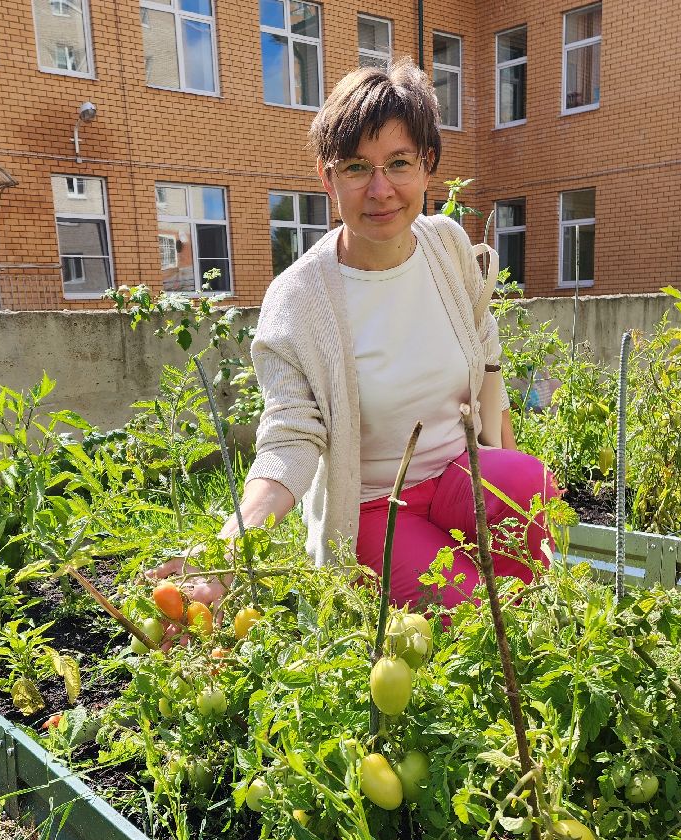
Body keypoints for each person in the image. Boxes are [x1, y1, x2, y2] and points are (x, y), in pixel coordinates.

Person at [153, 59, 557, 616]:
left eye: (399, 163)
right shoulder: (300, 300)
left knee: (527, 491)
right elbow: (288, 440)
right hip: (374, 508)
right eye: (356, 167)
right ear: (327, 178)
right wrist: (229, 546)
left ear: (426, 166)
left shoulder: (447, 248)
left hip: (456, 477)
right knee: (472, 611)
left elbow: (485, 358)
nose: (381, 189)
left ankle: (527, 639)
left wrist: (501, 471)